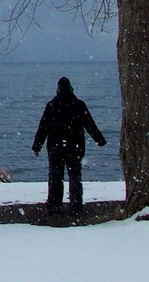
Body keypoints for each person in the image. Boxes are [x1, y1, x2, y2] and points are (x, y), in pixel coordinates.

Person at [32, 76, 106, 215]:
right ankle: (76, 206)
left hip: (55, 147)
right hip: (75, 146)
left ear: (58, 90)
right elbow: (90, 124)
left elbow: (43, 127)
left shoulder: (52, 105)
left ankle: (54, 206)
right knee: (75, 176)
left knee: (55, 177)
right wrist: (99, 140)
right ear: (71, 88)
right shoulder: (78, 105)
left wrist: (37, 146)